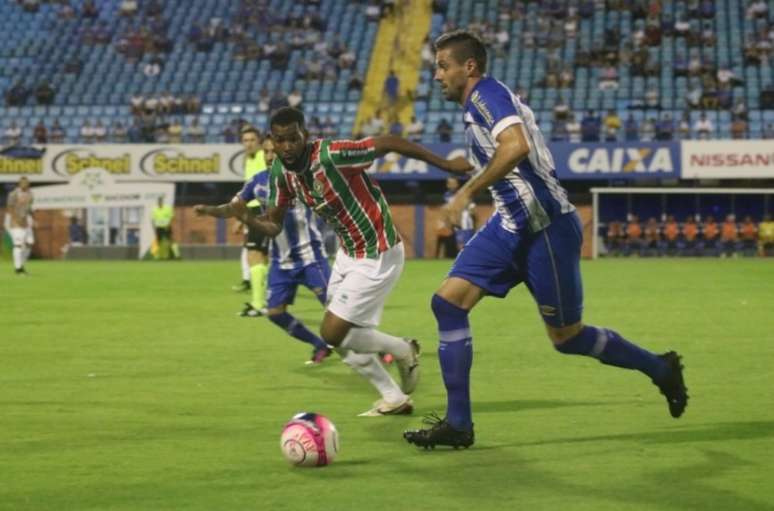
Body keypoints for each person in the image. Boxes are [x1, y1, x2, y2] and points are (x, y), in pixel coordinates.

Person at [403, 30, 688, 450]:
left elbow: (515, 146)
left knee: (568, 338)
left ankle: (660, 368)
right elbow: (506, 151)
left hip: (546, 228)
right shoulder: (475, 109)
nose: (437, 75)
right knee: (446, 303)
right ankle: (459, 424)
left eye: (443, 66)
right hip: (510, 226)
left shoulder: (487, 94)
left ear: (469, 67)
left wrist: (465, 192)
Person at [197, 106, 472, 416]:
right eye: (279, 140)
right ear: (272, 141)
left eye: (293, 139)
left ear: (304, 135)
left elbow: (389, 142)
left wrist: (446, 164)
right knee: (340, 341)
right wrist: (246, 216)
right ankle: (393, 398)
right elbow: (273, 225)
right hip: (347, 254)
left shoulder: (331, 154)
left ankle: (403, 349)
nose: (286, 147)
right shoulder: (281, 174)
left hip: (377, 250)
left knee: (331, 332)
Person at [197, 137, 333, 364]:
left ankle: (379, 350)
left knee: (338, 314)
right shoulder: (257, 182)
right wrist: (209, 210)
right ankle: (319, 345)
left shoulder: (301, 177)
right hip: (281, 262)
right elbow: (234, 207)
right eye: (266, 152)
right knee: (275, 313)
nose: (270, 155)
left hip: (311, 258)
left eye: (274, 151)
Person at [231, 126, 270, 316]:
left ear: (259, 142)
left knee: (254, 255)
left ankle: (258, 304)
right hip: (255, 210)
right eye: (245, 140)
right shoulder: (249, 160)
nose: (248, 144)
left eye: (252, 140)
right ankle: (264, 300)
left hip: (263, 210)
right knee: (261, 256)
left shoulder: (265, 156)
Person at [5, 177, 35, 275]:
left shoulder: (30, 194)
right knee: (18, 244)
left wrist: (32, 219)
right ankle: (18, 269)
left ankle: (21, 265)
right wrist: (16, 220)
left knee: (30, 243)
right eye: (23, 183)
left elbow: (29, 208)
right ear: (19, 184)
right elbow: (9, 208)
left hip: (25, 220)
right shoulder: (13, 194)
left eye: (27, 183)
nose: (25, 184)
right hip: (14, 221)